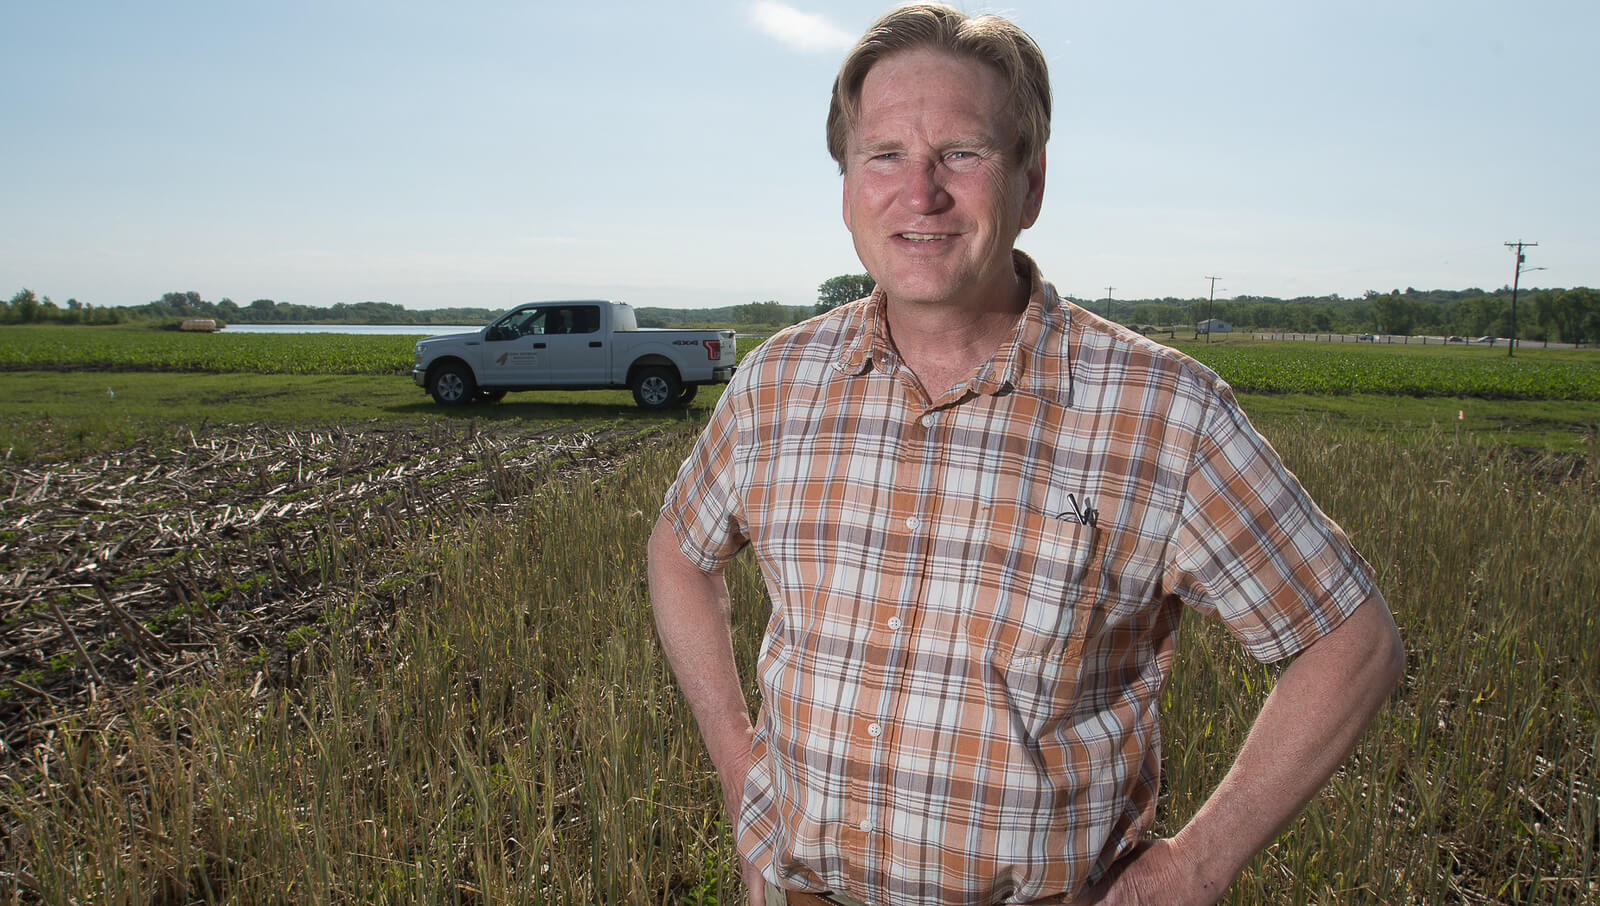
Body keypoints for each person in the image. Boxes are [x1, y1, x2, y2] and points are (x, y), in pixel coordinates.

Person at [648, 4, 1404, 904]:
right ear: (847, 186)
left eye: (962, 154)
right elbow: (679, 551)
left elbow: (1352, 642)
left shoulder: (1163, 411)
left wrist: (1198, 864)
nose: (920, 193)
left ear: (1031, 184)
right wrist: (743, 779)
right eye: (883, 154)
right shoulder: (779, 379)